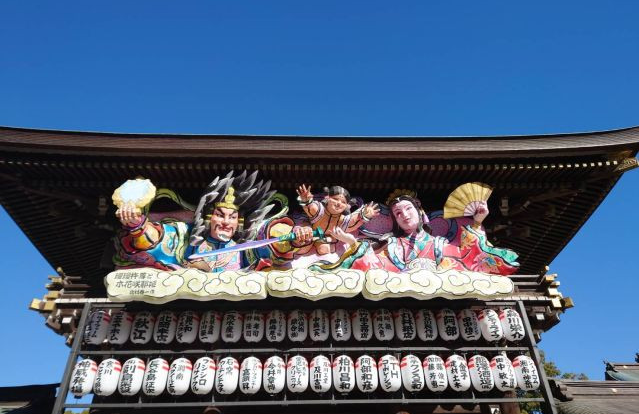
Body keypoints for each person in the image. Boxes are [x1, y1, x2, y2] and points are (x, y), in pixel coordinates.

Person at [114, 172, 313, 272]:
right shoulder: (187, 237)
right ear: (209, 218)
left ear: (239, 222)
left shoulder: (244, 248)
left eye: (232, 217)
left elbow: (271, 240)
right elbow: (159, 239)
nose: (226, 222)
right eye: (220, 215)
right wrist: (136, 224)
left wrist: (295, 238)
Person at [329, 190, 518, 276]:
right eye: (398, 213)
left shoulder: (440, 244)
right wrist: (352, 242)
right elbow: (374, 264)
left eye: (408, 209)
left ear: (420, 213)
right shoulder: (392, 246)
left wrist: (477, 222)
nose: (404, 215)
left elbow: (467, 258)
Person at [295, 184, 379, 256]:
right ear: (327, 198)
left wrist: (365, 215)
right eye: (335, 199)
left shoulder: (343, 221)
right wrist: (306, 200)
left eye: (343, 202)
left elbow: (355, 220)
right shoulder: (319, 211)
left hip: (327, 238)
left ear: (346, 206)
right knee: (303, 247)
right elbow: (311, 207)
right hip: (309, 231)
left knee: (323, 249)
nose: (339, 203)